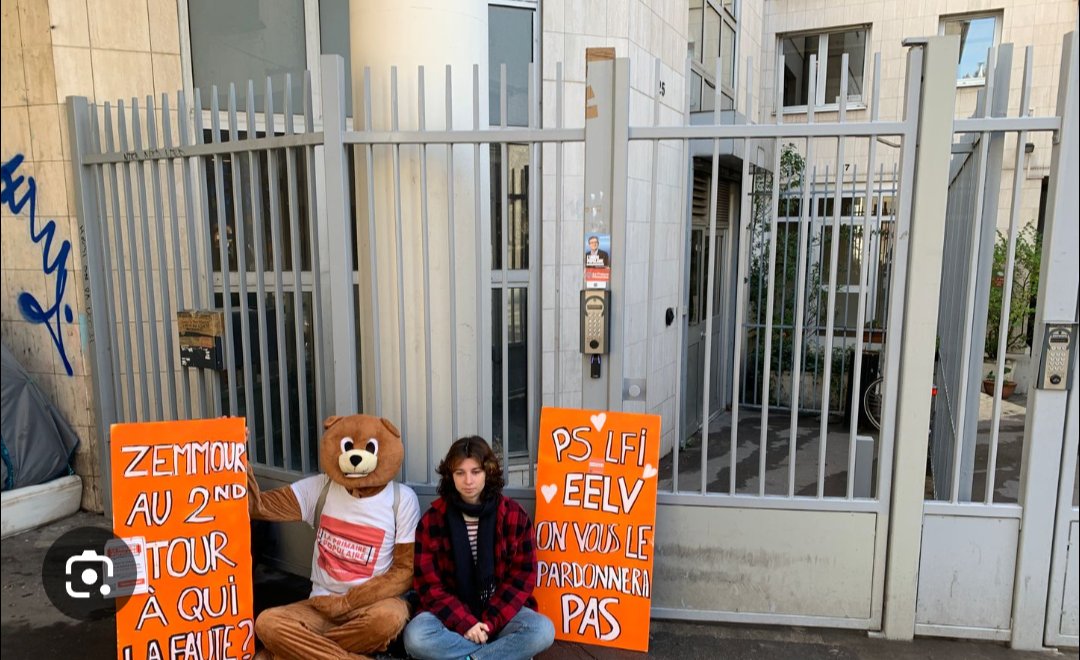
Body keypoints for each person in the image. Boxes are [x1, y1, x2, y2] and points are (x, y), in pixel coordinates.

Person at [404, 437, 555, 660]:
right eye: (460, 473)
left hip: (500, 614)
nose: (468, 481)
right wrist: (465, 623)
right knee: (416, 637)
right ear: (450, 476)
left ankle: (472, 657)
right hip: (450, 616)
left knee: (542, 630)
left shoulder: (514, 515)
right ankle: (501, 654)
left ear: (488, 472)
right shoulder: (432, 521)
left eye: (476, 472)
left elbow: (522, 579)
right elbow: (429, 586)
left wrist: (490, 622)